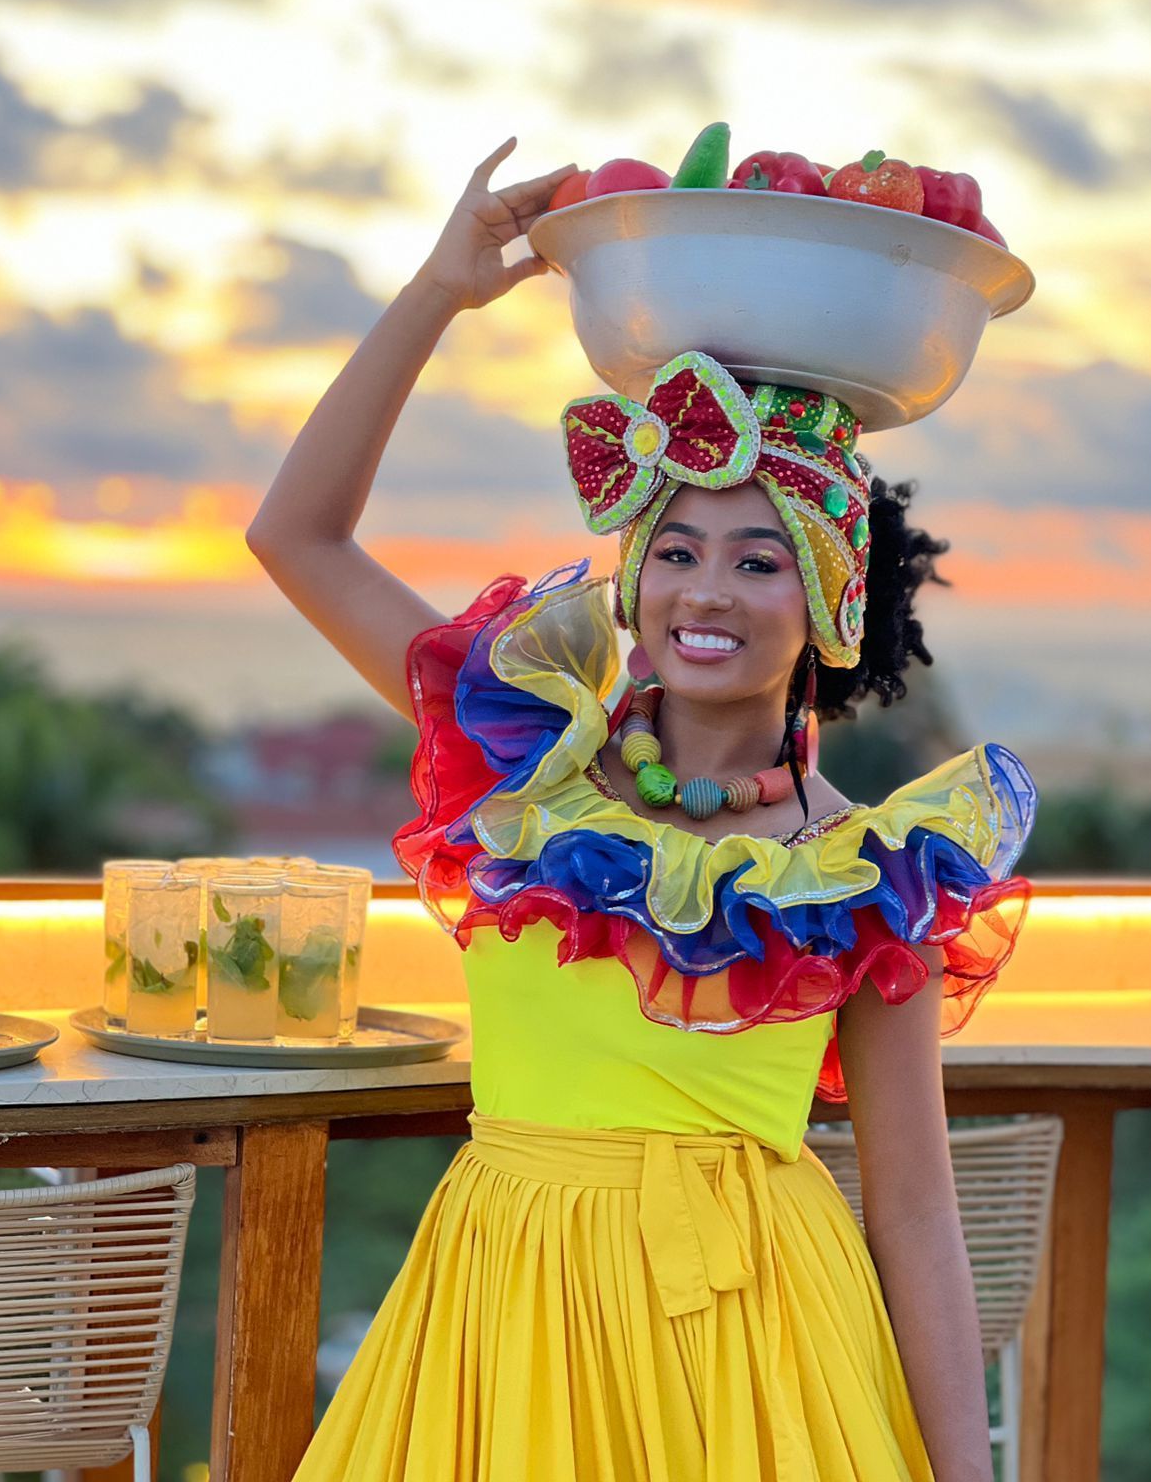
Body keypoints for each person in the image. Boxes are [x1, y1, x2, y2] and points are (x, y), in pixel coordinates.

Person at [249, 137, 1036, 1482]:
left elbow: (912, 1210)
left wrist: (971, 1476)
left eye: (755, 558)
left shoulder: (875, 877)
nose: (704, 592)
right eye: (673, 550)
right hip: (505, 1318)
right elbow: (297, 537)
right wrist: (437, 293)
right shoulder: (526, 764)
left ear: (830, 604)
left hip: (761, 1352)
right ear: (630, 577)